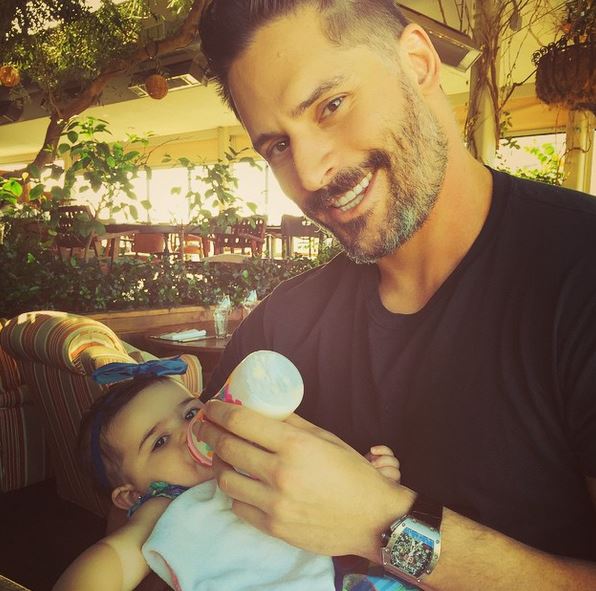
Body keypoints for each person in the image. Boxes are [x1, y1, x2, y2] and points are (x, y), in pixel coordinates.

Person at [193, 1, 596, 589]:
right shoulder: (279, 331)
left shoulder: (578, 272)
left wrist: (382, 526)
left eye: (331, 105)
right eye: (277, 146)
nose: (310, 173)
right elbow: (167, 512)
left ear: (417, 62)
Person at [52, 359, 401, 591]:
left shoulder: (254, 460)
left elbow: (331, 507)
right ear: (131, 494)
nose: (190, 432)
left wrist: (368, 483)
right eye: (159, 442)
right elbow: (112, 559)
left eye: (190, 413)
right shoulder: (166, 506)